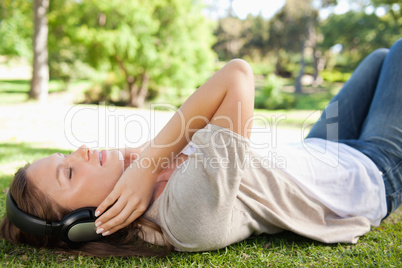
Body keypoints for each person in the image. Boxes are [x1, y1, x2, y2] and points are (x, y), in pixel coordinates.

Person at [1, 39, 401, 257]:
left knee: (378, 58)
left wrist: (138, 164)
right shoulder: (184, 217)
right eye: (68, 173)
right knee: (397, 52)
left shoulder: (145, 183)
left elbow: (203, 122)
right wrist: (148, 163)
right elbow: (237, 76)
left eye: (65, 155)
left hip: (319, 152)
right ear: (83, 223)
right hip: (370, 174)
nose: (81, 151)